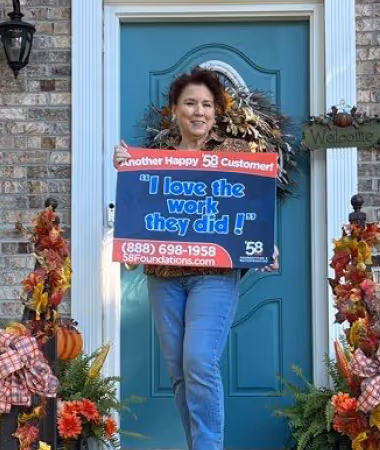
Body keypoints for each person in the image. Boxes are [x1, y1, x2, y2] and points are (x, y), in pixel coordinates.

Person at [113, 68, 279, 450]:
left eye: (206, 104)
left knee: (199, 361)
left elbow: (251, 208)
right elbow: (139, 220)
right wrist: (127, 167)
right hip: (164, 277)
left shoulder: (236, 157)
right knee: (179, 372)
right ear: (175, 110)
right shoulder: (154, 163)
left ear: (216, 112)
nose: (198, 111)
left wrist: (264, 243)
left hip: (214, 275)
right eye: (190, 103)